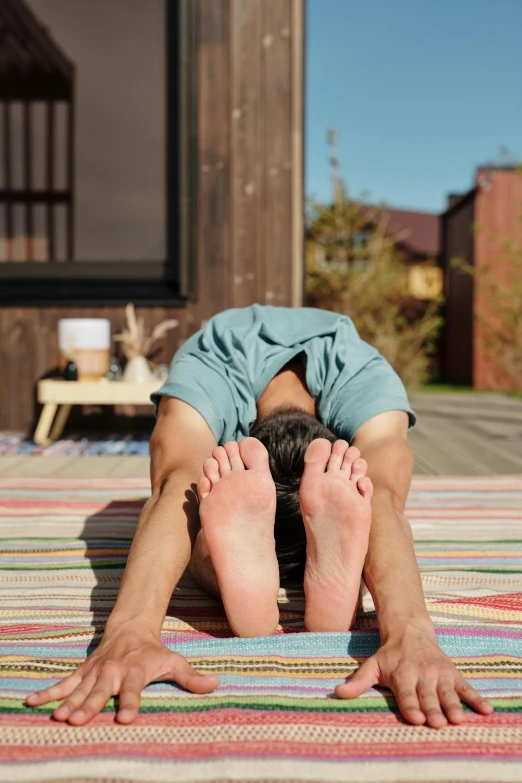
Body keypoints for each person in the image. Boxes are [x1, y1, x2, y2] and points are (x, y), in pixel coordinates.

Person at [26, 305, 493, 728]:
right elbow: (386, 496)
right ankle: (309, 565)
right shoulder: (364, 374)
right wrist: (410, 632)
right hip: (283, 458)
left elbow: (174, 481)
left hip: (246, 451)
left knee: (194, 495)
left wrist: (132, 629)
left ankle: (238, 564)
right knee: (363, 488)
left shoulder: (208, 363)